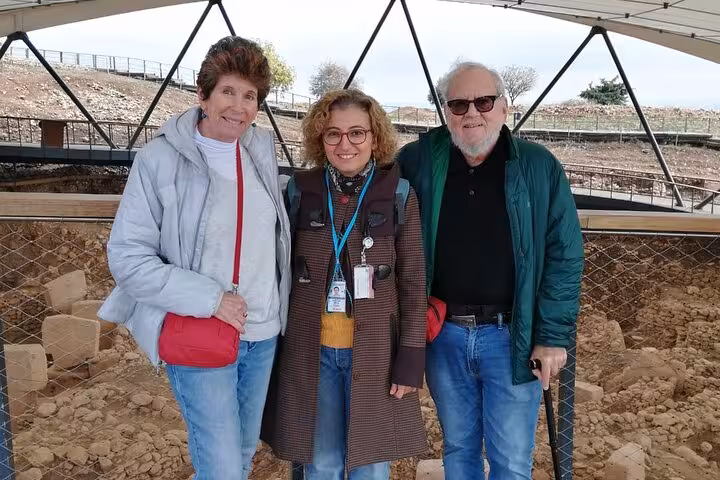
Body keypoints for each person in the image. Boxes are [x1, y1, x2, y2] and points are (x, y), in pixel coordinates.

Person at [98, 36, 291, 480]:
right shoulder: (159, 159)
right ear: (202, 95)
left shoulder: (260, 151)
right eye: (227, 91)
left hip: (261, 332)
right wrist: (211, 298)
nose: (238, 106)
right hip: (200, 326)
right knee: (221, 467)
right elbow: (127, 257)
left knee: (241, 456)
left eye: (250, 96)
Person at [396, 61, 584, 480]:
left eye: (483, 101)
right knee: (459, 450)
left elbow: (564, 254)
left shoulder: (538, 166)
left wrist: (552, 337)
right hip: (445, 334)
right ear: (446, 112)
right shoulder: (419, 160)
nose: (471, 113)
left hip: (512, 337)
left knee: (511, 461)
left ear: (504, 107)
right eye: (459, 104)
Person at [261, 88, 428, 479]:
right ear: (321, 139)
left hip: (376, 355)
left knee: (370, 464)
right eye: (333, 134)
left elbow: (414, 283)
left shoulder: (399, 193)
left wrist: (409, 361)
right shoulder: (301, 190)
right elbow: (278, 270)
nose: (345, 143)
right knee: (322, 464)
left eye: (357, 133)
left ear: (374, 137)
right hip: (311, 352)